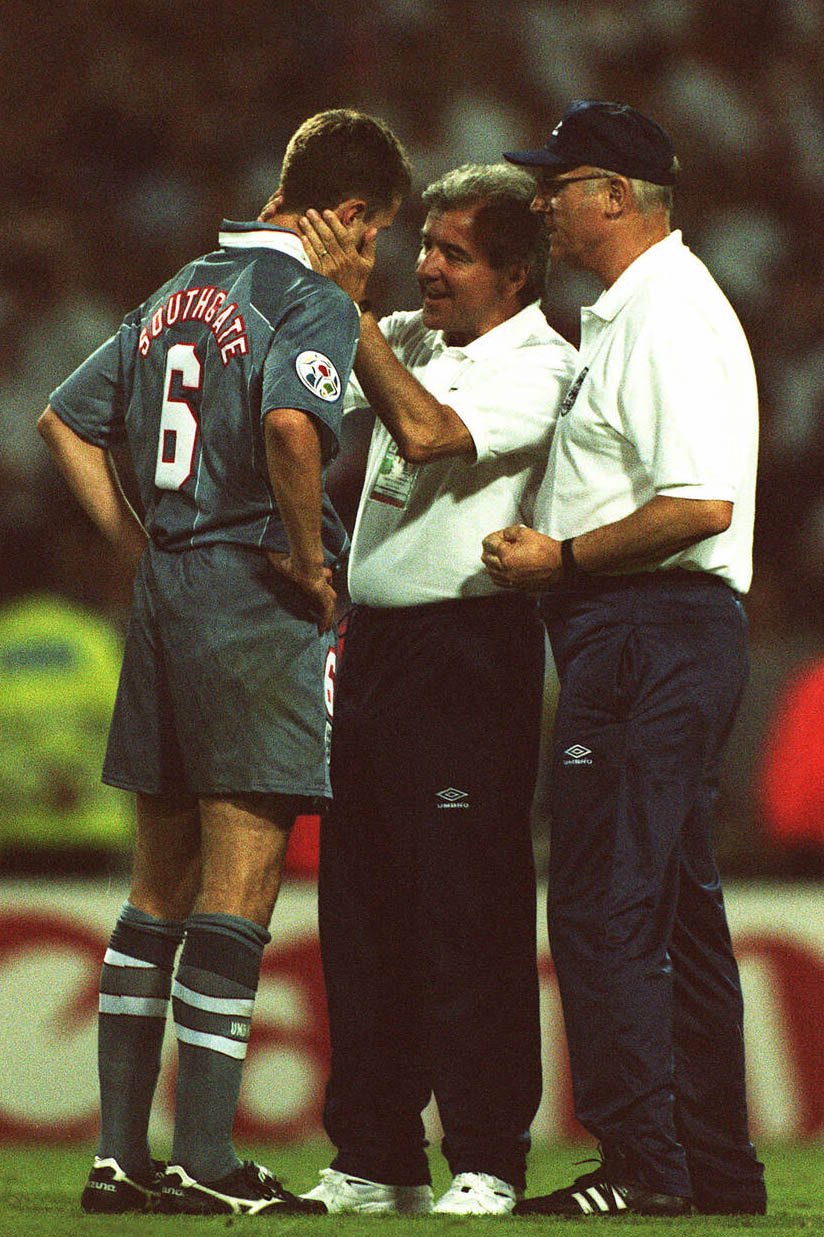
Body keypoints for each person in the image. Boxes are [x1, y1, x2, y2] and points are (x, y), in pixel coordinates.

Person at [37, 108, 410, 1218]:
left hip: (164, 594)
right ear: (346, 215)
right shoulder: (307, 298)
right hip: (249, 592)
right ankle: (204, 1157)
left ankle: (117, 1157)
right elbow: (297, 430)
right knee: (239, 886)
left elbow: (65, 419)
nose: (376, 250)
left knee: (154, 889)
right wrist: (306, 559)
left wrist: (138, 545)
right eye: (378, 230)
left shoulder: (176, 292)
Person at [482, 100, 767, 1218]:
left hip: (647, 630)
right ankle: (713, 1167)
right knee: (676, 911)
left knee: (603, 902)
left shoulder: (665, 317)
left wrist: (560, 554)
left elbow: (697, 502)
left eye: (558, 182)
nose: (542, 201)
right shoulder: (637, 312)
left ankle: (645, 1164)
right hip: (655, 635)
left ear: (614, 195)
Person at [294, 163, 579, 1215]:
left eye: (453, 253)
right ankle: (371, 1153)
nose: (429, 269)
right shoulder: (419, 336)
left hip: (470, 653)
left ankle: (487, 1154)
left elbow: (423, 435)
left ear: (512, 272)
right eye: (426, 247)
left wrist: (361, 312)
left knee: (468, 909)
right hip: (373, 653)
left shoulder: (540, 366)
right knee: (362, 908)